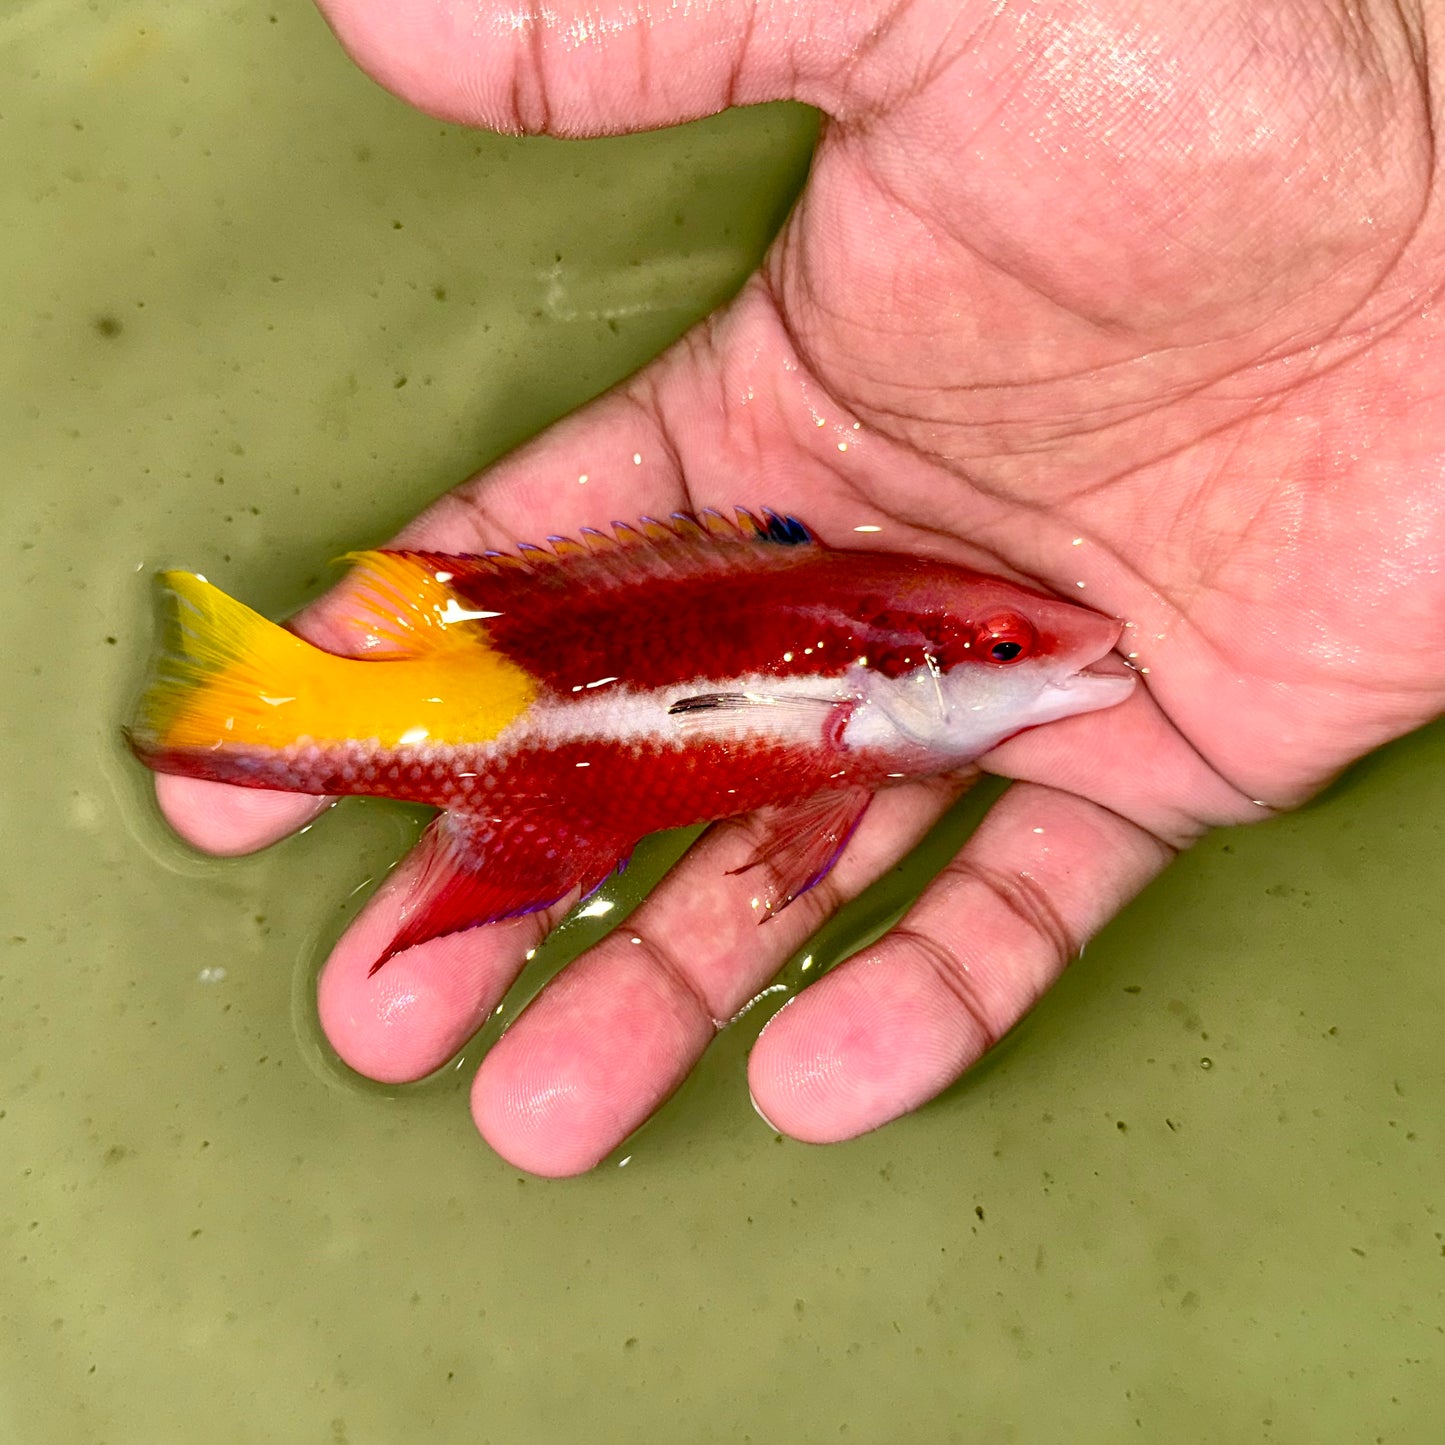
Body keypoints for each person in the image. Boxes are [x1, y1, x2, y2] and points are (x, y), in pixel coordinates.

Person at [156, 0, 1445, 1175]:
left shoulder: (871, 700)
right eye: (1000, 645)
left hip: (532, 711)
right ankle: (272, 714)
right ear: (892, 668)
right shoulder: (859, 711)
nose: (1064, 651)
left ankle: (266, 716)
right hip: (526, 707)